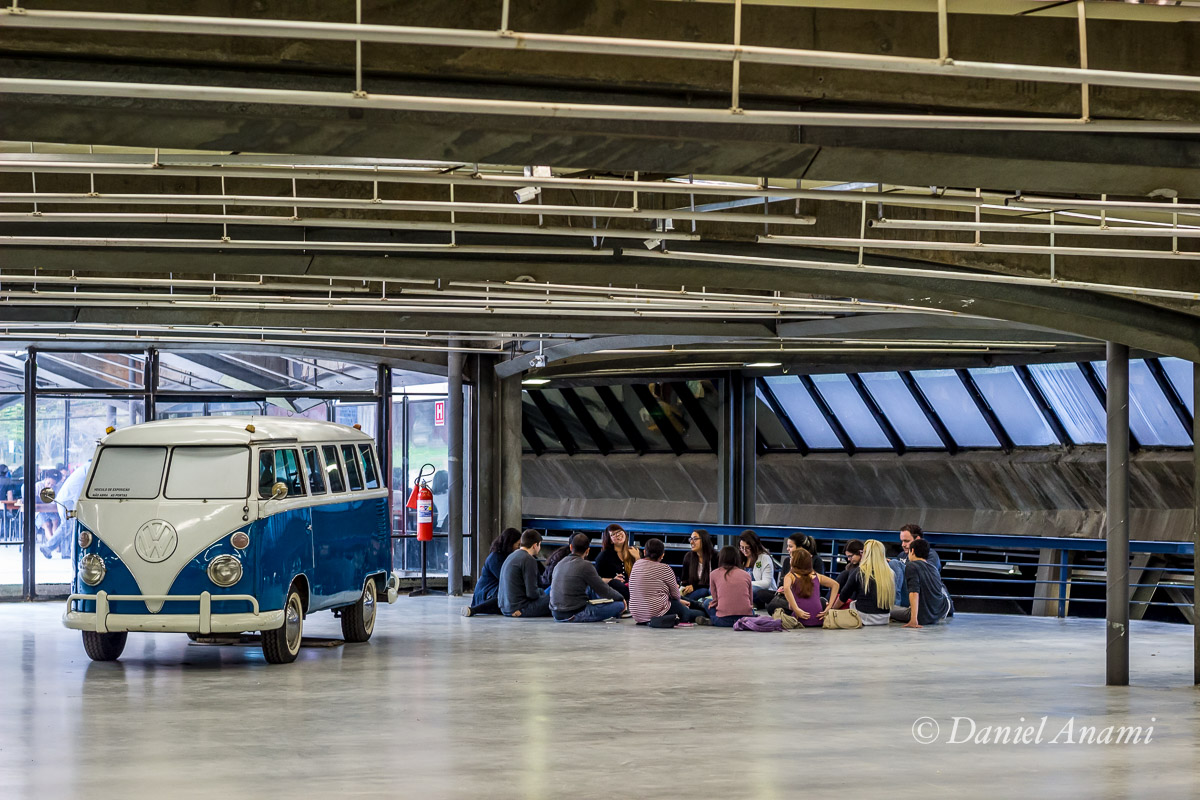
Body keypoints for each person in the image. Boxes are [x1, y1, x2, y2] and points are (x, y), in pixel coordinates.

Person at [628, 538, 706, 626]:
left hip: (638, 614)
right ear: (662, 555)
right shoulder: (665, 568)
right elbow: (676, 595)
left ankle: (699, 604)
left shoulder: (636, 565)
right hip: (657, 612)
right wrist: (678, 600)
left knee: (674, 599)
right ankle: (704, 608)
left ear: (645, 552)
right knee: (692, 613)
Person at [550, 533, 626, 623]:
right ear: (588, 551)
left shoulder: (560, 563)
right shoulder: (586, 565)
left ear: (571, 547)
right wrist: (621, 598)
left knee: (590, 588)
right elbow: (603, 590)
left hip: (556, 614)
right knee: (619, 605)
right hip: (574, 613)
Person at [461, 527, 522, 617]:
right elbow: (507, 579)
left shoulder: (506, 556)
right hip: (486, 594)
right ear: (510, 544)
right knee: (504, 597)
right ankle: (473, 610)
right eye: (518, 544)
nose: (519, 548)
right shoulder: (496, 558)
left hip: (494, 591)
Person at [779, 549, 841, 627]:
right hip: (818, 620)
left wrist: (796, 609)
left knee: (776, 605)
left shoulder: (790, 575)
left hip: (800, 619)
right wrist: (829, 606)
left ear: (795, 561)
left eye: (791, 558)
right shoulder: (817, 576)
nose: (789, 560)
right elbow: (835, 585)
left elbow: (787, 589)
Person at [837, 539, 894, 625]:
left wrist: (831, 609)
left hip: (865, 617)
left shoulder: (859, 572)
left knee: (849, 603)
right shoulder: (890, 573)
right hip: (884, 618)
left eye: (863, 552)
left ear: (867, 554)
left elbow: (843, 596)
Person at [897, 539, 951, 628]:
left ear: (912, 551)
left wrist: (914, 619)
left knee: (887, 610)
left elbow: (914, 592)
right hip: (936, 614)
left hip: (922, 616)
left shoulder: (911, 566)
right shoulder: (933, 568)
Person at [499, 529, 552, 618]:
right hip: (520, 608)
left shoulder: (511, 556)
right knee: (556, 598)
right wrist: (542, 592)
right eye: (540, 545)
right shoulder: (528, 559)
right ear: (535, 545)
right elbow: (532, 594)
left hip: (505, 608)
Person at [42, 460, 90, 559]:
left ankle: (66, 552)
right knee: (67, 525)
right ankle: (47, 547)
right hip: (68, 500)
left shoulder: (85, 468)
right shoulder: (89, 468)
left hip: (66, 499)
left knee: (68, 525)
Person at [708, 545, 754, 627]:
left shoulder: (713, 574)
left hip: (723, 620)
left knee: (706, 603)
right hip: (746, 619)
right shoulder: (746, 574)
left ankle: (712, 620)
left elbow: (715, 600)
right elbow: (750, 600)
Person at [594, 523, 640, 601]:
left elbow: (640, 575)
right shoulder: (604, 556)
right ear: (610, 541)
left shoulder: (633, 551)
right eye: (613, 534)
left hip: (631, 588)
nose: (618, 535)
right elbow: (595, 579)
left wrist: (637, 558)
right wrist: (612, 579)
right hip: (613, 591)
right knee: (616, 584)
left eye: (619, 531)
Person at [740, 530, 777, 608]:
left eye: (747, 548)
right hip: (745, 589)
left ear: (754, 546)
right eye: (741, 547)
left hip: (761, 592)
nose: (744, 550)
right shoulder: (741, 558)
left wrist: (746, 583)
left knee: (752, 590)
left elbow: (766, 583)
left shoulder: (764, 558)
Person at [680, 528, 714, 604]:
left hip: (710, 591)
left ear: (704, 540)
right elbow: (684, 580)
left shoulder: (715, 557)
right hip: (694, 592)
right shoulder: (688, 557)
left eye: (695, 539)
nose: (691, 542)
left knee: (704, 591)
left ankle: (686, 603)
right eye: (690, 539)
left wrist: (694, 586)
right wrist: (685, 588)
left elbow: (716, 582)